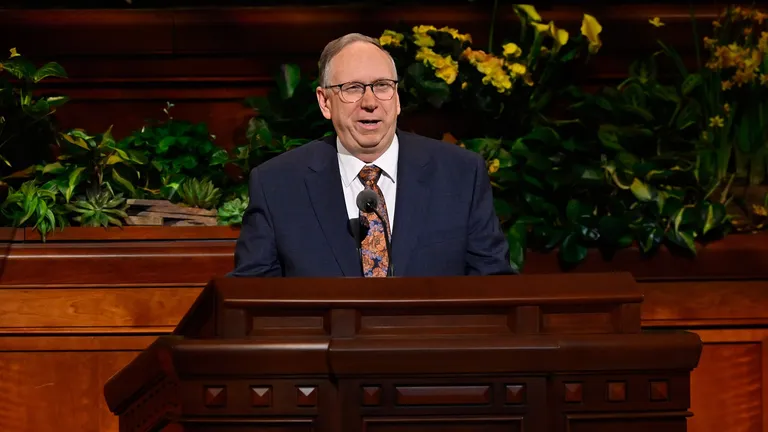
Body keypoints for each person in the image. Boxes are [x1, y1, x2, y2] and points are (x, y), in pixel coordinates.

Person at [229, 33, 515, 278]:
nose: (370, 102)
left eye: (382, 86)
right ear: (325, 102)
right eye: (352, 88)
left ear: (397, 98)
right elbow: (252, 296)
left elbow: (494, 285)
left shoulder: (461, 174)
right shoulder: (277, 184)